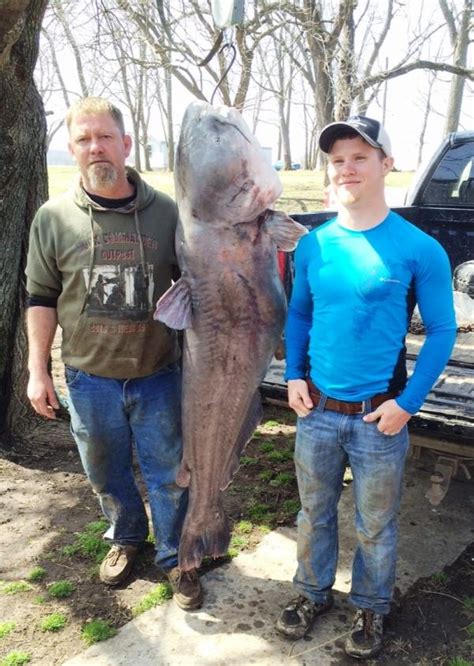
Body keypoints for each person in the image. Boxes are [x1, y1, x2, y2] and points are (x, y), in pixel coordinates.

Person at [276, 116, 457, 658]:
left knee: (375, 524)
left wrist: (408, 404)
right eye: (337, 160)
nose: (347, 168)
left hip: (380, 417)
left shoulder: (418, 247)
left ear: (386, 164)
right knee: (314, 513)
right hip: (318, 413)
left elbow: (444, 329)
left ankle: (370, 608)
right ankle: (312, 593)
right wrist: (292, 377)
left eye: (360, 156)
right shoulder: (315, 246)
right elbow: (300, 315)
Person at [25, 97, 203, 611]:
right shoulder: (53, 217)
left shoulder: (168, 212)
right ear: (71, 149)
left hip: (157, 374)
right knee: (105, 471)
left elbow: (197, 285)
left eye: (105, 137)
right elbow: (40, 297)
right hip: (89, 378)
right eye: (83, 139)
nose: (95, 147)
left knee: (170, 471)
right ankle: (127, 536)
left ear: (126, 144)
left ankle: (177, 557)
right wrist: (39, 371)